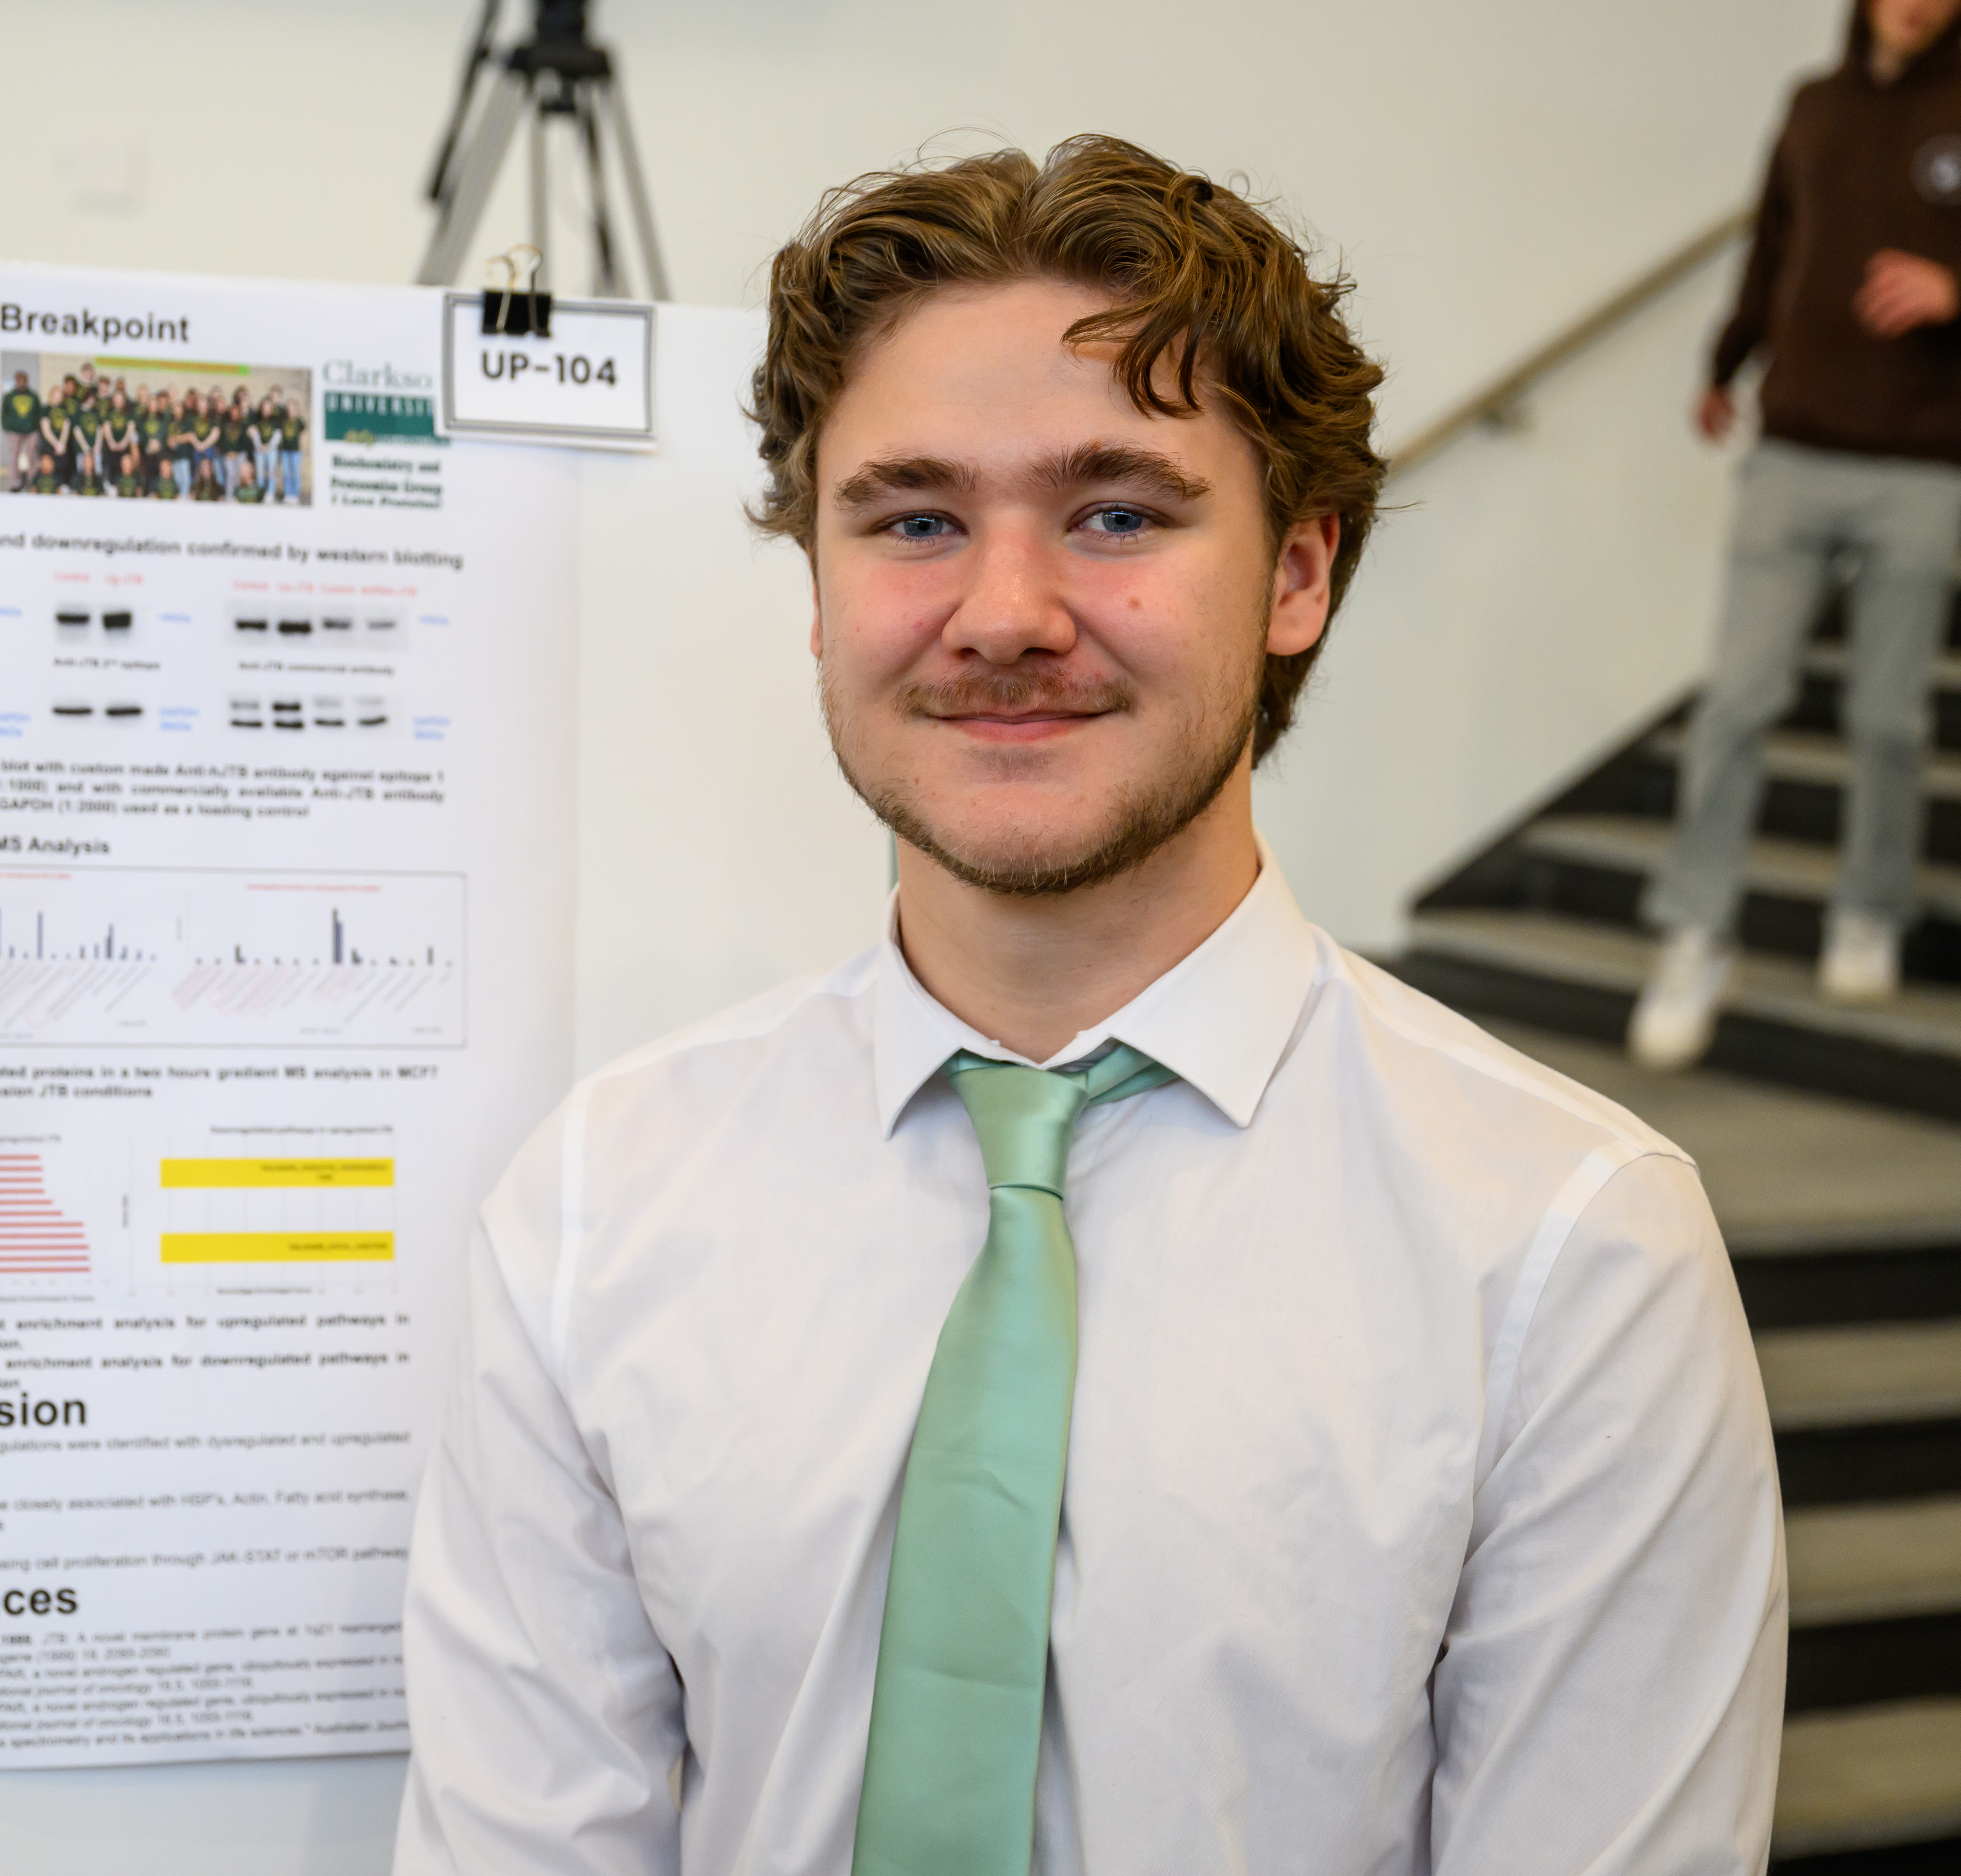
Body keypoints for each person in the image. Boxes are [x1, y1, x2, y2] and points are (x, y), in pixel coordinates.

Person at [395, 137, 1784, 1876]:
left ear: (1297, 576)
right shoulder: (600, 1199)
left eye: (1116, 511)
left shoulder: (1573, 1249)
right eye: (911, 518)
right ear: (819, 592)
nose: (1004, 611)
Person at [1632, 0, 1961, 1066]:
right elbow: (1772, 244)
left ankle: (1868, 908)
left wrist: (1951, 286)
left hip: (1924, 466)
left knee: (1884, 717)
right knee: (1737, 703)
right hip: (1796, 450)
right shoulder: (1814, 104)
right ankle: (1694, 931)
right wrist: (1727, 363)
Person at [0, 368, 44, 491]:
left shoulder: (34, 397)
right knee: (14, 457)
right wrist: (7, 429)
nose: (21, 382)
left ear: (27, 381)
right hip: (14, 432)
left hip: (31, 432)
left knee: (32, 457)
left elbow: (38, 414)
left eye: (24, 380)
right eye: (19, 380)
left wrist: (37, 430)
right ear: (16, 381)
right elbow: (4, 414)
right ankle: (15, 483)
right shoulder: (9, 397)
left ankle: (32, 482)